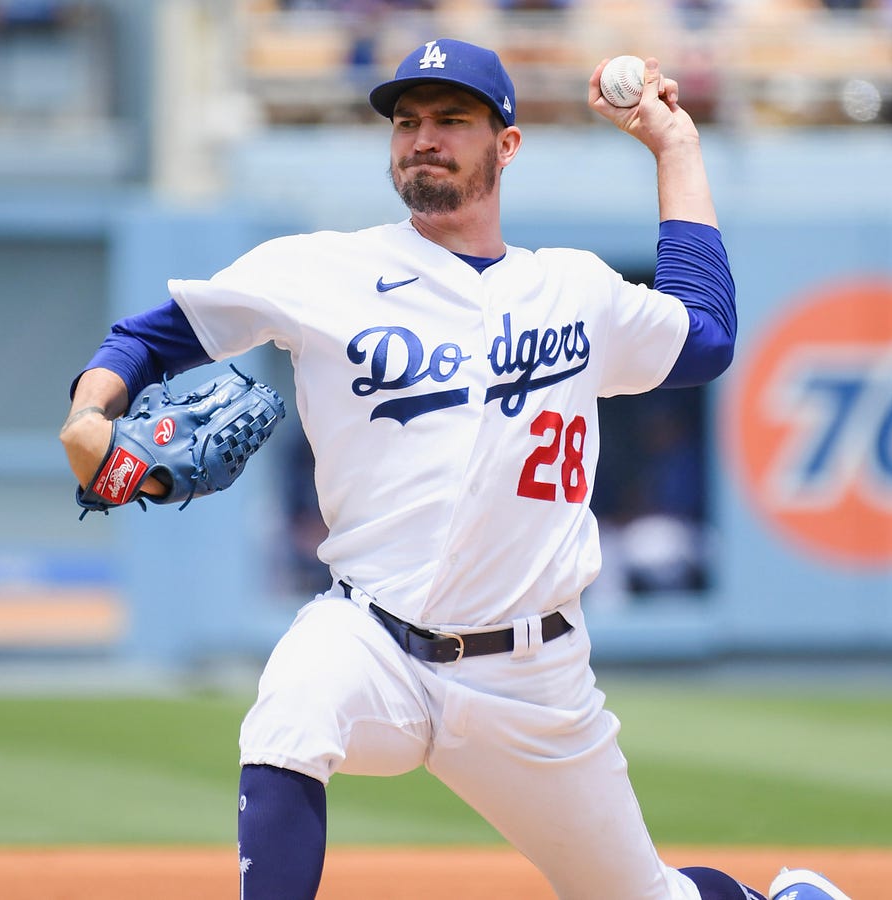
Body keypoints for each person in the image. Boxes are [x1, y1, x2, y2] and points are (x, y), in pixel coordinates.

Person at [60, 38, 852, 900]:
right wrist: (89, 412)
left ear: (505, 144)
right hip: (372, 633)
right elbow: (152, 335)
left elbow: (706, 336)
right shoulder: (324, 269)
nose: (422, 138)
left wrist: (677, 149)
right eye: (406, 122)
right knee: (290, 714)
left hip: (531, 675)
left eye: (451, 120)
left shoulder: (574, 290)